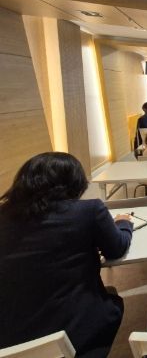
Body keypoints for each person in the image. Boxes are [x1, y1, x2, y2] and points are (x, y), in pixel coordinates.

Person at [0, 152, 133, 356]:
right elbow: (117, 248)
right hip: (73, 332)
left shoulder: (5, 217)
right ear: (74, 182)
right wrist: (124, 223)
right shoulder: (88, 211)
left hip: (10, 339)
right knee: (110, 300)